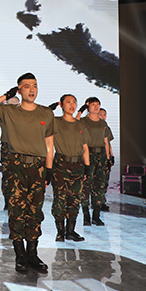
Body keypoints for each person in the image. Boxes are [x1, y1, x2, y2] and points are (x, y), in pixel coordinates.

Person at [0, 73, 54, 274]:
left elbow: (49, 144)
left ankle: (33, 254)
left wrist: (49, 170)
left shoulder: (46, 113)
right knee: (17, 210)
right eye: (27, 86)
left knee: (35, 211)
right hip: (16, 167)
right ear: (19, 90)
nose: (32, 89)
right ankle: (20, 254)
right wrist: (5, 96)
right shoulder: (8, 111)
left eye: (35, 85)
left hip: (38, 167)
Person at [51, 94, 89, 242]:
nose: (72, 105)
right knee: (60, 198)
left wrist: (87, 167)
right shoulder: (56, 122)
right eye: (68, 102)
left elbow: (85, 147)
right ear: (61, 104)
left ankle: (70, 231)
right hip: (61, 164)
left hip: (78, 165)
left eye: (74, 102)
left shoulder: (81, 125)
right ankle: (60, 231)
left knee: (74, 199)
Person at [79, 97, 110, 226]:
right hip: (88, 154)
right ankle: (86, 215)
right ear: (88, 106)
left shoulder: (103, 123)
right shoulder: (83, 121)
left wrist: (108, 158)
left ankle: (96, 216)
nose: (96, 106)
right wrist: (81, 110)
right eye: (93, 104)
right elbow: (74, 123)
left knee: (99, 186)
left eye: (98, 104)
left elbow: (106, 141)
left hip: (101, 155)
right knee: (86, 185)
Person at [97, 107, 115, 212]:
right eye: (101, 114)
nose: (103, 117)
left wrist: (111, 156)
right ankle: (96, 202)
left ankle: (102, 201)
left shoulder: (106, 127)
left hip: (105, 156)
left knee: (105, 180)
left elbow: (108, 143)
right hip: (96, 156)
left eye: (104, 114)